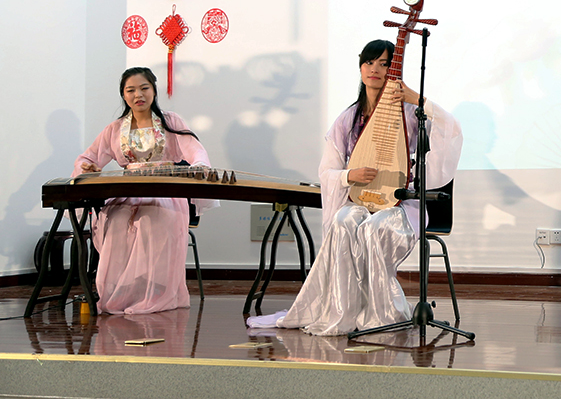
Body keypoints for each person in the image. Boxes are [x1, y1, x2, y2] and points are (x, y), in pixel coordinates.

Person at [255, 39, 463, 336]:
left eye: (384, 64)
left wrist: (417, 99)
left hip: (401, 204)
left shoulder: (409, 114)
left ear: (394, 70)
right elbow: (327, 171)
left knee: (374, 228)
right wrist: (350, 175)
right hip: (360, 199)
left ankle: (381, 314)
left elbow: (450, 130)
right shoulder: (348, 119)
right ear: (360, 67)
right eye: (369, 62)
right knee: (343, 220)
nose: (375, 69)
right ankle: (343, 311)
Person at [73, 67, 218, 314]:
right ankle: (122, 293)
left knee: (151, 222)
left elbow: (195, 150)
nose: (138, 95)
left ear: (154, 90)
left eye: (144, 88)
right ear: (124, 95)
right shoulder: (115, 129)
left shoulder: (171, 121)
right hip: (127, 192)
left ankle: (154, 292)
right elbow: (89, 158)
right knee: (114, 222)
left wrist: (200, 166)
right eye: (131, 90)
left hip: (165, 192)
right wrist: (89, 168)